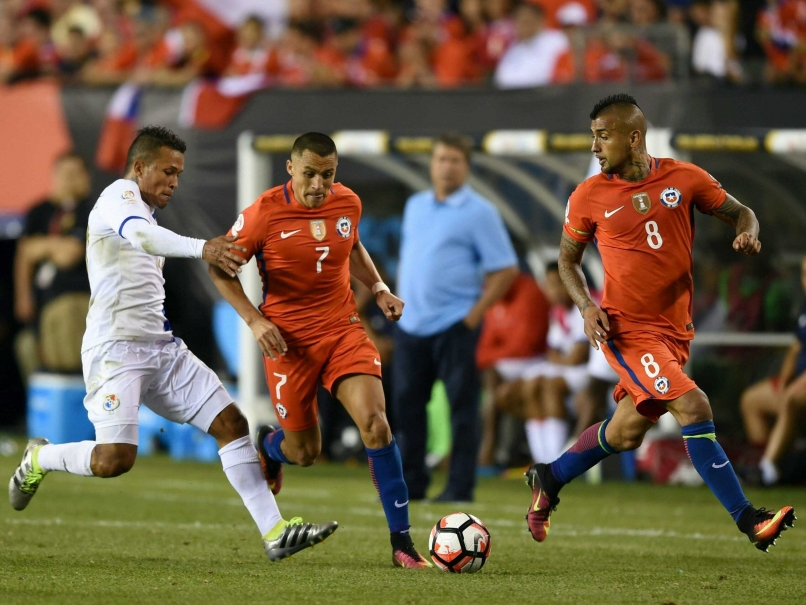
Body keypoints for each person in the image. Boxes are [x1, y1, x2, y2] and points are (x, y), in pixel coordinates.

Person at [8, 126, 336, 562]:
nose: (174, 183)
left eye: (179, 174)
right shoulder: (118, 197)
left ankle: (275, 531)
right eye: (167, 171)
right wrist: (205, 248)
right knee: (114, 460)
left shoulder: (148, 213)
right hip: (115, 351)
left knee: (232, 425)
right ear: (139, 167)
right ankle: (39, 459)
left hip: (161, 349)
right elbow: (142, 238)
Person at [524, 93, 796, 553]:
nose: (595, 147)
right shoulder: (587, 196)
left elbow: (740, 211)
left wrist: (747, 231)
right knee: (694, 407)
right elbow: (567, 262)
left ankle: (550, 476)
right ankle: (751, 520)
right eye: (593, 137)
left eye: (603, 136)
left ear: (634, 138)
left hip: (675, 332)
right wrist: (587, 307)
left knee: (627, 431)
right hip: (627, 331)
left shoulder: (683, 178)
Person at [208, 132, 431, 569]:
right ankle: (269, 447)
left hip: (342, 329)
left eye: (327, 175)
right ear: (290, 168)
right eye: (309, 173)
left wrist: (379, 287)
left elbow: (352, 245)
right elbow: (219, 268)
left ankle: (402, 543)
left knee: (376, 425)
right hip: (288, 342)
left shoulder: (347, 201)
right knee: (306, 452)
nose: (318, 185)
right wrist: (256, 320)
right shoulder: (263, 213)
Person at [393, 133, 518, 503]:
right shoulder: (415, 205)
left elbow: (506, 269)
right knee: (406, 409)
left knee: (462, 410)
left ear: (467, 167)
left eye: (455, 161)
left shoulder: (481, 212)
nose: (447, 167)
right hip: (410, 324)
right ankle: (411, 486)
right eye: (441, 159)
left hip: (454, 324)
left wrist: (473, 315)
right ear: (431, 164)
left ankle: (460, 487)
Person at [14, 152, 92, 380]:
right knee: (25, 346)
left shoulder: (91, 211)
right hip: (43, 300)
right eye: (64, 174)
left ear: (85, 177)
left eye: (74, 174)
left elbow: (69, 255)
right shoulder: (39, 212)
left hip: (77, 297)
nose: (69, 180)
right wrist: (23, 296)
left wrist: (40, 245)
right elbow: (24, 255)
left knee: (65, 315)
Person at [741, 255, 806, 485]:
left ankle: (768, 469)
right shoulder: (804, 309)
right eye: (803, 273)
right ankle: (766, 464)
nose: (805, 280)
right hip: (798, 381)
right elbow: (795, 349)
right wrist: (786, 380)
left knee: (790, 400)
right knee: (752, 400)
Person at [519, 262, 590, 463]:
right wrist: (561, 359)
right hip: (569, 370)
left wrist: (560, 359)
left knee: (550, 386)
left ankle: (555, 459)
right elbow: (552, 351)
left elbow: (578, 357)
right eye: (550, 285)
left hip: (592, 372)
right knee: (530, 386)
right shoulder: (557, 312)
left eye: (560, 284)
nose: (555, 291)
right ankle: (540, 458)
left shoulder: (585, 307)